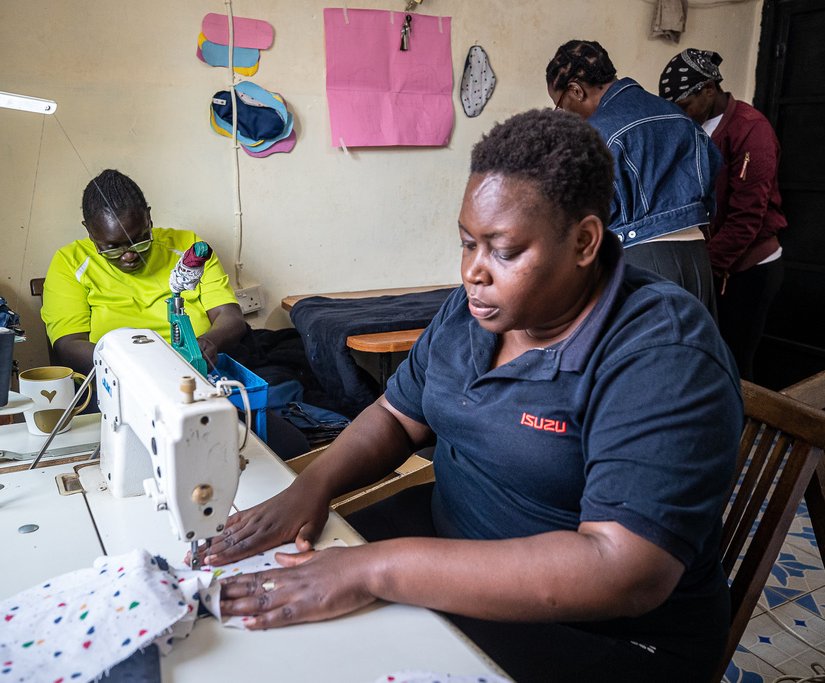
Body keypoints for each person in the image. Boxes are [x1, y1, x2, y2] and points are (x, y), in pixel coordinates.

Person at [203, 109, 742, 682]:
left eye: (503, 251)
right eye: (467, 244)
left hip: (603, 632)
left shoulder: (662, 354)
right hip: (449, 540)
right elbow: (395, 414)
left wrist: (373, 570)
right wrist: (311, 487)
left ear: (584, 240)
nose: (472, 273)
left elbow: (622, 570)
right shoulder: (474, 312)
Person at [41, 169, 309, 458]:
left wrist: (208, 342)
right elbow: (68, 345)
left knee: (288, 448)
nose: (129, 254)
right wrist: (145, 364)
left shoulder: (188, 248)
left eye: (140, 239)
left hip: (197, 376)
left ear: (149, 217)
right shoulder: (69, 263)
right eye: (112, 247)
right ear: (88, 230)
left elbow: (230, 316)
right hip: (121, 384)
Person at [545, 39, 723, 318]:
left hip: (642, 264)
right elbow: (712, 184)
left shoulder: (597, 134)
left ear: (576, 90)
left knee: (645, 358)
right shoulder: (679, 116)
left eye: (560, 106)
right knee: (691, 356)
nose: (565, 116)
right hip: (698, 261)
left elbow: (582, 222)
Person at [660, 49, 786, 382]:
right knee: (707, 359)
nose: (682, 116)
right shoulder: (693, 127)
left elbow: (747, 219)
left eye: (685, 106)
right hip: (712, 263)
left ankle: (741, 432)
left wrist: (705, 271)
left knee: (734, 362)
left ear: (709, 90)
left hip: (748, 267)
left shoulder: (750, 130)